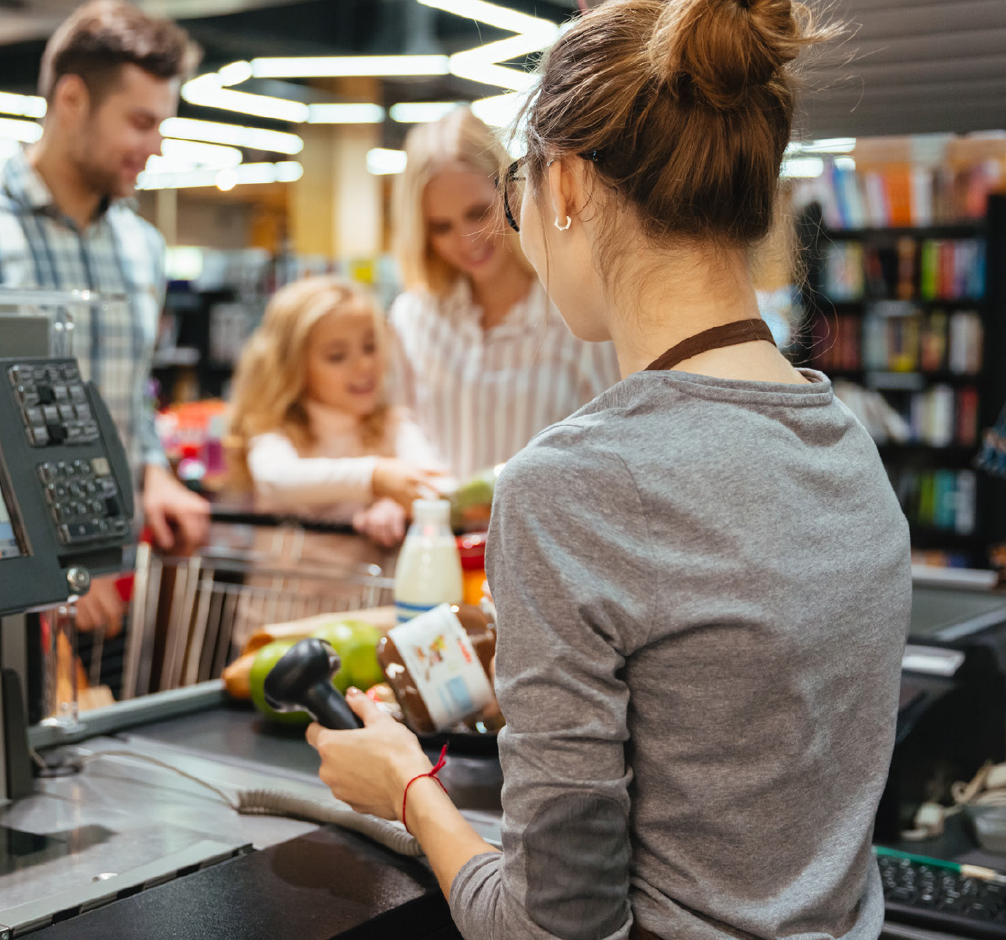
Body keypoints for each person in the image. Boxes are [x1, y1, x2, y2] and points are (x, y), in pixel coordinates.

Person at [306, 2, 911, 939]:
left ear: (570, 185)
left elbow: (552, 927)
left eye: (516, 188)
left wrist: (408, 789)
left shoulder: (568, 486)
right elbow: (738, 744)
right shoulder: (846, 444)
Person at [0, 0, 210, 635]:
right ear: (72, 99)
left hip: (113, 575)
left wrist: (154, 473)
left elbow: (129, 396)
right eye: (141, 122)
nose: (156, 146)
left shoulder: (142, 246)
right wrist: (47, 563)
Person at [388, 108, 623, 481]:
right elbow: (397, 419)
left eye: (479, 213)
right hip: (441, 535)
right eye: (441, 226)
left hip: (548, 534)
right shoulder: (412, 317)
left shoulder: (577, 313)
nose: (466, 241)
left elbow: (617, 439)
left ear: (513, 191)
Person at [227, 276, 445, 549]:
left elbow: (438, 484)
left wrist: (397, 504)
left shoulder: (392, 425)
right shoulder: (273, 427)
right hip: (279, 591)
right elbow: (277, 478)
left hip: (369, 591)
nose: (364, 365)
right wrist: (375, 477)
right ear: (293, 366)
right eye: (337, 356)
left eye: (370, 346)